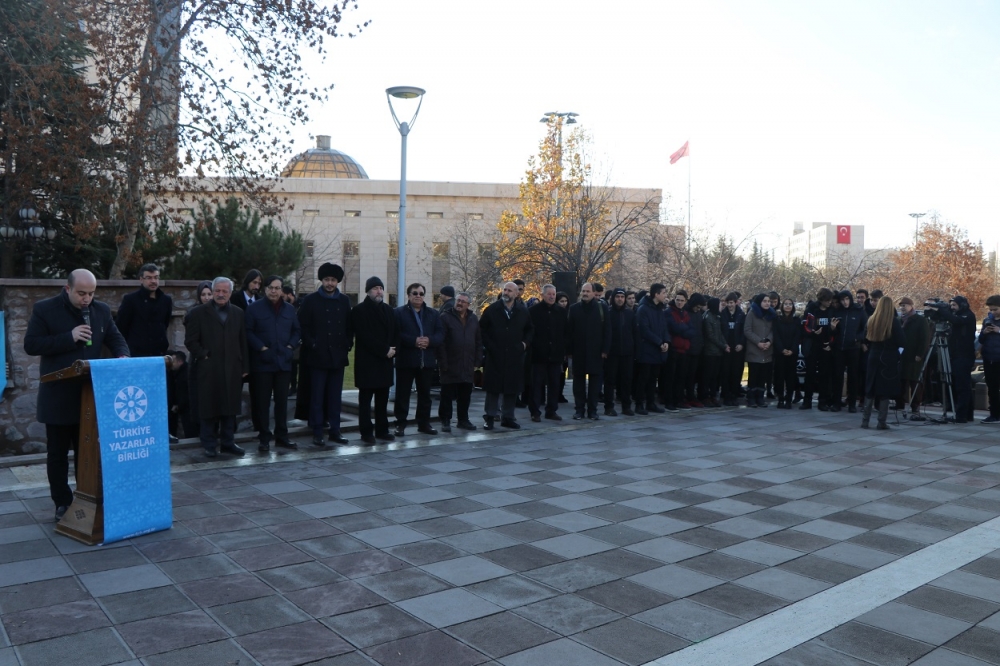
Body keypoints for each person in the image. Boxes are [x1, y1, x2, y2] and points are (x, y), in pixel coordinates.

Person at [24, 269, 130, 520]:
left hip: (90, 396)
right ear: (67, 288)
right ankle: (62, 502)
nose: (87, 299)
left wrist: (123, 356)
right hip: (58, 394)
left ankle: (89, 495)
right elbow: (31, 344)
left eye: (91, 294)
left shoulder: (101, 310)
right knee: (58, 454)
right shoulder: (44, 309)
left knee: (89, 452)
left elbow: (116, 339)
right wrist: (68, 337)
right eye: (81, 293)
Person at [185, 277, 249, 458]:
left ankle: (228, 442)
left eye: (225, 291)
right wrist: (203, 354)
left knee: (230, 408)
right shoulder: (198, 313)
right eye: (218, 291)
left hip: (232, 368)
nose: (221, 295)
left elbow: (243, 341)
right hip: (208, 368)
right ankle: (209, 443)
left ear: (230, 293)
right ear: (212, 292)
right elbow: (190, 340)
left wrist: (245, 366)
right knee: (209, 407)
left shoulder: (238, 313)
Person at [298, 263, 353, 446]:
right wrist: (312, 343)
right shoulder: (311, 300)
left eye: (333, 280)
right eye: (327, 280)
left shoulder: (344, 301)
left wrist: (347, 343)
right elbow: (303, 326)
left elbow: (349, 327)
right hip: (317, 356)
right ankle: (318, 431)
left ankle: (335, 431)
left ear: (337, 281)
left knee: (335, 396)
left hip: (337, 355)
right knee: (317, 396)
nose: (330, 283)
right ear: (322, 280)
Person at [245, 275, 301, 453]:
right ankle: (264, 438)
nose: (274, 291)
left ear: (281, 290)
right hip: (262, 364)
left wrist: (290, 347)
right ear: (265, 289)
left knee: (282, 402)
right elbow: (248, 332)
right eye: (270, 287)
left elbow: (297, 330)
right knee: (262, 403)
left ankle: (282, 436)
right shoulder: (254, 309)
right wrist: (261, 348)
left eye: (277, 288)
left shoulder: (289, 310)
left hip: (283, 363)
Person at [351, 277, 399, 444]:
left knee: (382, 400)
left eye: (380, 288)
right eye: (375, 288)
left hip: (385, 362)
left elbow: (395, 332)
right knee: (365, 401)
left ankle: (382, 430)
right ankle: (366, 432)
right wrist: (384, 350)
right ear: (368, 291)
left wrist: (393, 349)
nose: (379, 291)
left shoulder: (388, 310)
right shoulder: (359, 311)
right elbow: (364, 336)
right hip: (367, 363)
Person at [480, 281, 534, 429]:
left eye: (510, 291)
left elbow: (530, 330)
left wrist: (524, 344)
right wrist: (490, 346)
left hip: (514, 355)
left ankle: (508, 417)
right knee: (493, 388)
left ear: (516, 294)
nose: (506, 293)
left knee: (512, 387)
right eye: (505, 290)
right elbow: (482, 329)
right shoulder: (492, 310)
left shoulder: (523, 311)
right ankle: (490, 417)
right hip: (495, 354)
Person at [394, 282, 444, 437]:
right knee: (402, 394)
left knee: (425, 395)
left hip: (426, 359)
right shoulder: (399, 313)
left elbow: (440, 334)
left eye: (421, 293)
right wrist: (413, 341)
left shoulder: (433, 314)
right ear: (408, 295)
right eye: (415, 293)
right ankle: (400, 424)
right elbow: (397, 334)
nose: (418, 296)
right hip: (406, 360)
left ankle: (424, 423)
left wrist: (429, 341)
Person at [928, 296, 978, 423]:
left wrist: (942, 310)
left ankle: (962, 415)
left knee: (963, 386)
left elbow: (956, 321)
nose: (952, 307)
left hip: (964, 355)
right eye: (951, 305)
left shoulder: (968, 315)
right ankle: (966, 414)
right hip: (955, 354)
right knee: (959, 384)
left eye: (954, 305)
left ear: (962, 305)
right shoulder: (955, 315)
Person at [438, 291, 481, 432]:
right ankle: (445, 420)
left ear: (468, 304)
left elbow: (478, 341)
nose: (459, 303)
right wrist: (442, 362)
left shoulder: (473, 319)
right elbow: (441, 342)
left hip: (467, 363)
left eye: (463, 301)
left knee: (465, 395)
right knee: (447, 395)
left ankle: (463, 420)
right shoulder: (445, 317)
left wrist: (477, 361)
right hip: (450, 363)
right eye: (458, 300)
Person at [567, 283, 612, 420]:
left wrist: (605, 349)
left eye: (587, 291)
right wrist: (569, 350)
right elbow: (569, 332)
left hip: (596, 352)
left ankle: (592, 411)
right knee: (578, 384)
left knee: (594, 385)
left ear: (593, 293)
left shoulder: (602, 308)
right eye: (583, 291)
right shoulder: (574, 309)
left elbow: (607, 331)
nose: (585, 293)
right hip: (579, 352)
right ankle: (579, 410)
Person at [862, 296, 905, 429]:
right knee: (884, 390)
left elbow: (865, 338)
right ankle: (881, 422)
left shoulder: (871, 320)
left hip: (873, 355)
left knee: (870, 387)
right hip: (888, 357)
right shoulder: (893, 322)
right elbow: (902, 341)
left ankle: (865, 421)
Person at [115, 263, 173, 358]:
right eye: (149, 278)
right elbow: (121, 327)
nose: (153, 281)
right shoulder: (130, 300)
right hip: (136, 354)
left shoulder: (166, 300)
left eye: (156, 277)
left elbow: (165, 324)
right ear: (141, 279)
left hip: (159, 353)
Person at [528, 284, 568, 422]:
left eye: (553, 294)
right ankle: (535, 411)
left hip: (555, 355)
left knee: (554, 384)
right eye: (549, 294)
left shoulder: (561, 312)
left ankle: (551, 410)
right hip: (539, 354)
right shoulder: (533, 311)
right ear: (543, 295)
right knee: (536, 385)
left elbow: (565, 333)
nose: (551, 296)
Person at [634, 284, 670, 415]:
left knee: (653, 379)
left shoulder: (660, 309)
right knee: (643, 378)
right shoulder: (643, 309)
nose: (666, 295)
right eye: (664, 293)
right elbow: (644, 329)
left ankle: (651, 403)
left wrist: (666, 341)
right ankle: (639, 404)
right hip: (646, 349)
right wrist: (659, 342)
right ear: (656, 294)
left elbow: (664, 327)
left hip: (657, 350)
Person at [831, 290, 868, 413]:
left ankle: (852, 403)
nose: (845, 302)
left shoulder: (858, 311)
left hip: (853, 348)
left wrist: (858, 338)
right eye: (842, 300)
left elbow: (865, 328)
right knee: (837, 376)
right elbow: (834, 331)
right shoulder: (837, 311)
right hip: (839, 348)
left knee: (853, 376)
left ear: (850, 299)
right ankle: (836, 402)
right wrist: (833, 329)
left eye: (847, 299)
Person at [802, 288, 837, 410]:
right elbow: (805, 326)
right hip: (813, 345)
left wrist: (832, 332)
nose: (829, 303)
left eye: (830, 300)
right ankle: (807, 400)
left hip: (825, 345)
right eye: (827, 300)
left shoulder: (832, 311)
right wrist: (813, 332)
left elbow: (836, 330)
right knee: (810, 373)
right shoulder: (812, 309)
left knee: (824, 374)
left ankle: (822, 401)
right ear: (821, 300)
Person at [604, 288, 635, 416]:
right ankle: (609, 407)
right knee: (610, 381)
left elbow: (635, 333)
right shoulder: (608, 313)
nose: (620, 299)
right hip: (612, 353)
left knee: (626, 380)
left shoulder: (630, 313)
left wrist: (634, 350)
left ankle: (626, 406)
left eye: (622, 297)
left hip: (627, 353)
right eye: (618, 297)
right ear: (613, 298)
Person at [897, 297, 929, 419]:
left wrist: (920, 354)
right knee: (901, 380)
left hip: (914, 356)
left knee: (915, 381)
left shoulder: (920, 320)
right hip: (902, 355)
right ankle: (900, 403)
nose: (902, 308)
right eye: (901, 305)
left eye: (905, 305)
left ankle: (915, 405)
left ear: (911, 306)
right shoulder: (899, 320)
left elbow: (924, 339)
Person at [662, 290, 694, 412]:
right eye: (677, 300)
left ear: (685, 301)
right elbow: (673, 327)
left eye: (682, 300)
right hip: (673, 349)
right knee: (670, 377)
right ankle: (669, 401)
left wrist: (682, 329)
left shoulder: (686, 314)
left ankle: (678, 399)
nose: (679, 302)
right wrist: (683, 329)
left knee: (681, 377)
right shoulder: (668, 312)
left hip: (684, 349)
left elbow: (692, 331)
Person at [744, 293, 776, 408]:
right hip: (754, 349)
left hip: (767, 350)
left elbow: (774, 330)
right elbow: (747, 330)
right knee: (753, 375)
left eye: (768, 301)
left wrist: (768, 341)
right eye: (765, 301)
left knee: (763, 375)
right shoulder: (752, 313)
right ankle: (751, 397)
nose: (767, 303)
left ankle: (760, 397)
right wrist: (758, 342)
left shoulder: (772, 314)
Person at [772, 298, 802, 409]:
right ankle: (780, 398)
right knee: (779, 376)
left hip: (792, 353)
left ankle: (789, 399)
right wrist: (781, 349)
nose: (788, 306)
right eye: (786, 304)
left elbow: (797, 336)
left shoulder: (796, 320)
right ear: (782, 306)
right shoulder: (777, 319)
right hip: (780, 353)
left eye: (790, 304)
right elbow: (776, 335)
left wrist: (792, 350)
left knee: (790, 377)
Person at [720, 292, 746, 406]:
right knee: (726, 373)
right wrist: (724, 344)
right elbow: (720, 331)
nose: (729, 305)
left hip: (737, 348)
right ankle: (726, 395)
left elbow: (745, 331)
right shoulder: (722, 314)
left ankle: (734, 394)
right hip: (726, 348)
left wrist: (741, 344)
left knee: (736, 373)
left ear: (736, 303)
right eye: (727, 303)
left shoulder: (741, 315)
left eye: (731, 303)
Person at [700, 297, 726, 407]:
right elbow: (710, 335)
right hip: (709, 351)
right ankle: (704, 396)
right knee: (707, 375)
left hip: (718, 352)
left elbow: (720, 333)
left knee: (715, 376)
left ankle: (713, 395)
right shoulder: (707, 317)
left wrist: (725, 344)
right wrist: (722, 345)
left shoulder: (717, 317)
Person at [683, 293, 707, 407]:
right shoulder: (686, 312)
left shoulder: (699, 314)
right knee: (686, 374)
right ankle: (685, 396)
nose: (698, 309)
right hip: (687, 349)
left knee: (693, 375)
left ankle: (691, 395)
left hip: (697, 348)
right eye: (697, 307)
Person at [979, 295, 1000, 424]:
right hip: (989, 358)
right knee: (992, 387)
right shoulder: (987, 320)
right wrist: (985, 332)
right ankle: (994, 414)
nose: (993, 312)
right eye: (991, 310)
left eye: (995, 309)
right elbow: (980, 340)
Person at [167, 350, 194, 440]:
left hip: (187, 408)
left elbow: (184, 392)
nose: (172, 364)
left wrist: (179, 405)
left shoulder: (185, 373)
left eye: (173, 361)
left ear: (180, 361)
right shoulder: (175, 373)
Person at [282, 285, 301, 394]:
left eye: (284, 296)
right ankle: (293, 386)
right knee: (292, 366)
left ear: (290, 295)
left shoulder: (300, 306)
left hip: (300, 340)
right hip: (291, 341)